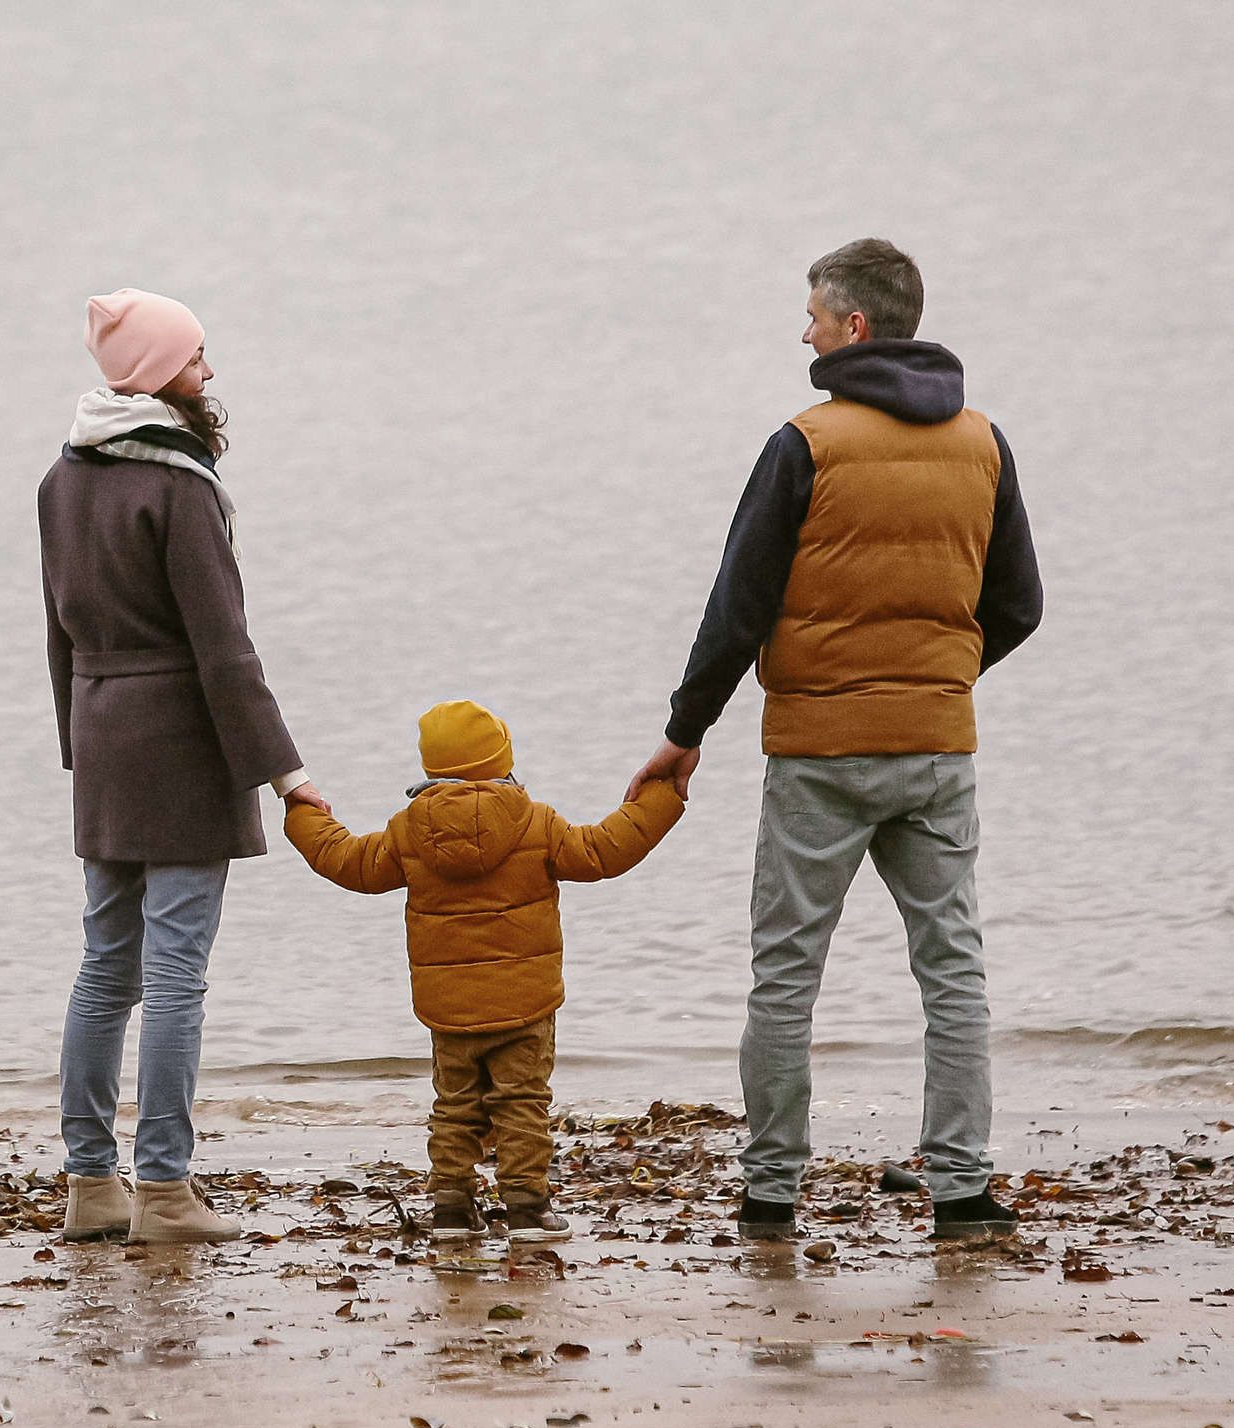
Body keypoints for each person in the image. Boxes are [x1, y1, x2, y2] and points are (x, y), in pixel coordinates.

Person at [626, 239, 1042, 1244]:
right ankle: (962, 1191)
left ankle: (770, 1195)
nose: (801, 329)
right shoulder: (983, 443)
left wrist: (684, 733)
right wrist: (936, 679)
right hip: (935, 750)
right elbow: (1019, 605)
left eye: (812, 313)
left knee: (785, 974)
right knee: (952, 973)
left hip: (817, 754)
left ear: (853, 328)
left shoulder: (802, 444)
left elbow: (738, 607)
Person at [37, 288, 327, 1246]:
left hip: (104, 735)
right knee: (174, 979)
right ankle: (163, 1189)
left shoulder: (62, 476)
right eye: (198, 358)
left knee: (102, 968)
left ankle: (89, 1183)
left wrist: (78, 747)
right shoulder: (180, 484)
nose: (210, 374)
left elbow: (58, 632)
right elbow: (224, 650)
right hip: (182, 743)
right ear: (162, 374)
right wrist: (287, 774)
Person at [285, 701, 684, 1243]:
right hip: (524, 1004)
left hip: (449, 1009)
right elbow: (605, 851)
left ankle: (451, 1209)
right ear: (501, 762)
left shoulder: (408, 832)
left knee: (454, 1107)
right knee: (521, 1103)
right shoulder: (536, 822)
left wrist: (300, 806)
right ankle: (527, 1210)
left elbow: (347, 861)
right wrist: (664, 792)